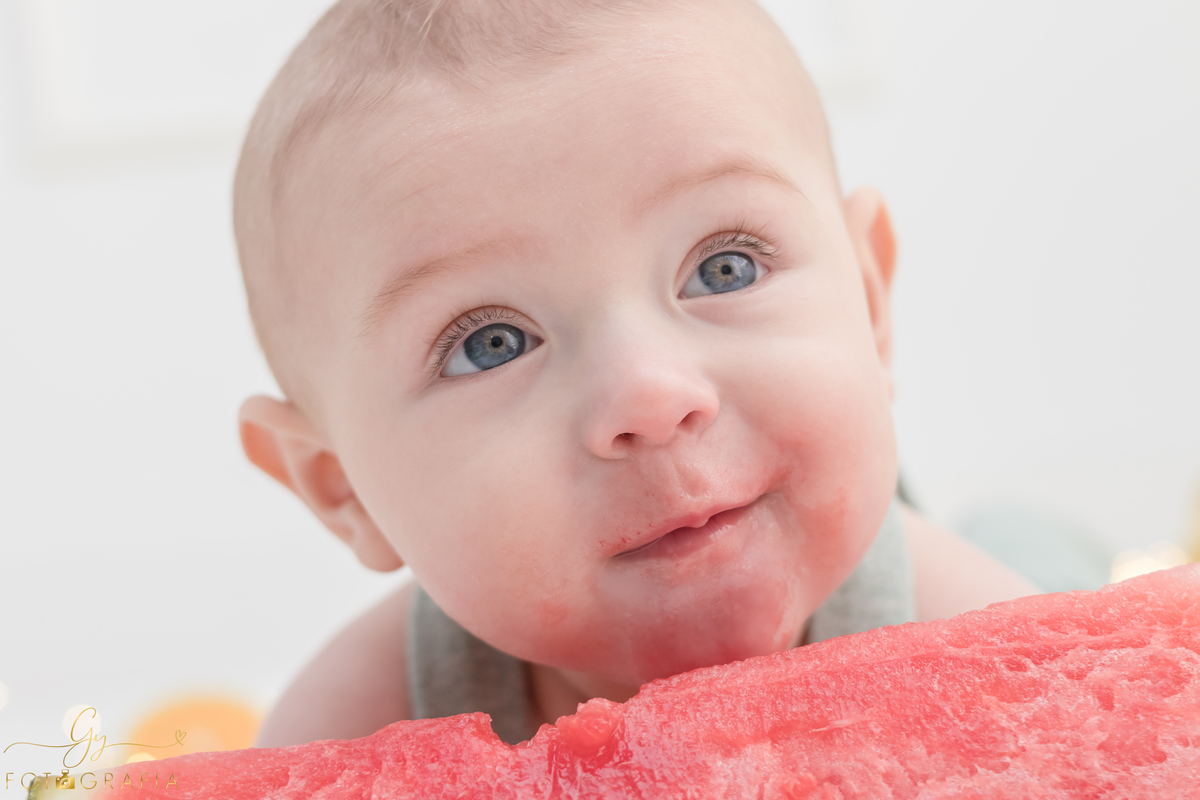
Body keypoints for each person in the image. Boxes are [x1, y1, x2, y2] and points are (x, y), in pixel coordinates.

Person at [232, 0, 1037, 748]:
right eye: (495, 345)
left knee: (1037, 545)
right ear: (342, 487)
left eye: (724, 268)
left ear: (869, 304)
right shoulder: (356, 727)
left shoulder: (983, 637)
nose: (650, 397)